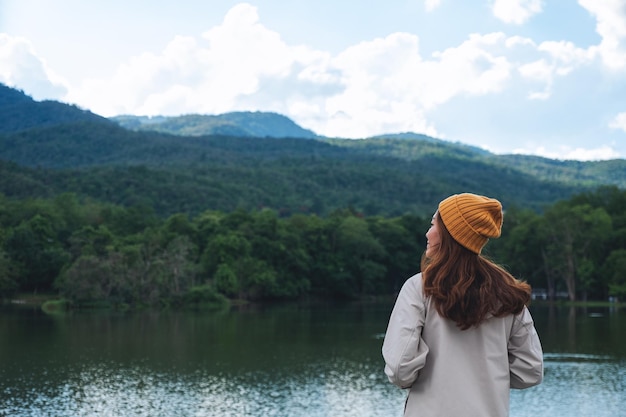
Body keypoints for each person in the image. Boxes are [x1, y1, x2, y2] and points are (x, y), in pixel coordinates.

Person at [382, 193, 543, 417]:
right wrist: (486, 379)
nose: (428, 233)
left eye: (433, 224)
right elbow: (530, 370)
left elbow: (400, 369)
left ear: (450, 233)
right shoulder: (508, 294)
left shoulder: (419, 287)